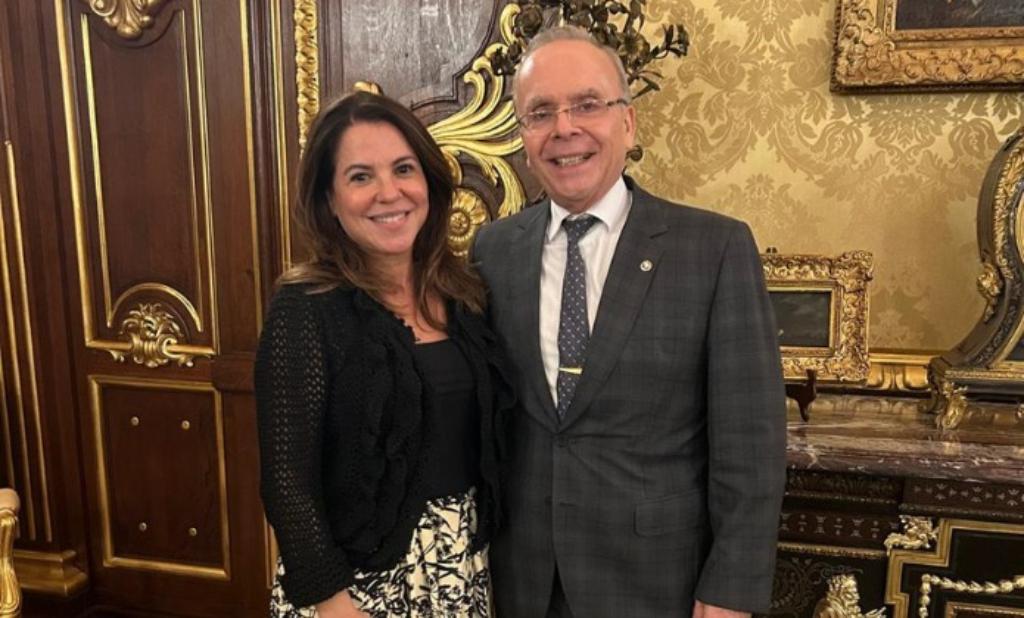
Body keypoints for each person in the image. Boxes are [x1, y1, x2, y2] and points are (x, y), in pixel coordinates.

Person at [472, 26, 787, 618]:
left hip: (657, 585)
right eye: (541, 112)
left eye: (587, 105)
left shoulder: (713, 249)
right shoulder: (493, 251)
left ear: (628, 122)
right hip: (523, 580)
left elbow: (751, 444)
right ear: (523, 135)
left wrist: (730, 591)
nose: (564, 128)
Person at [255, 91, 511, 618]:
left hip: (462, 568)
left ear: (429, 182)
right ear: (329, 200)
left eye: (403, 169)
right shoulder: (305, 308)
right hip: (355, 586)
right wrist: (333, 602)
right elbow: (287, 482)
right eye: (360, 176)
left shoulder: (466, 295)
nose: (389, 192)